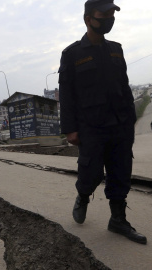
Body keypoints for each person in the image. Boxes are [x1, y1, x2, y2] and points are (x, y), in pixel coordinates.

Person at [58, 0, 146, 244]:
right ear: (88, 19)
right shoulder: (72, 54)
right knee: (91, 172)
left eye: (112, 14)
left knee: (120, 172)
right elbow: (66, 95)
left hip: (120, 124)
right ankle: (83, 196)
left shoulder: (116, 49)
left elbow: (124, 87)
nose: (109, 19)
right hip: (91, 126)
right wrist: (70, 129)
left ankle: (117, 219)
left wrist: (131, 120)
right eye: (103, 14)